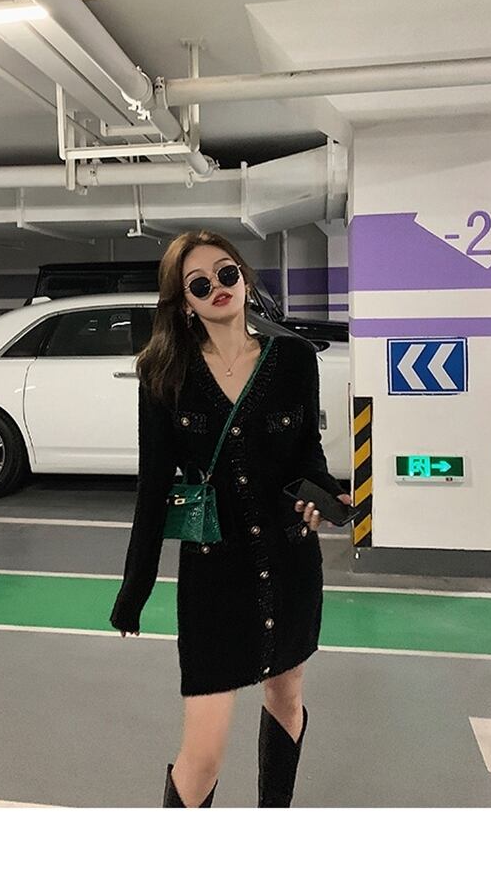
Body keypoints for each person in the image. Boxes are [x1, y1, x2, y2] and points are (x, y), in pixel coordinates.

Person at [109, 229, 352, 807]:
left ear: (243, 276)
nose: (217, 287)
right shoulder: (164, 374)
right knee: (204, 750)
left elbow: (308, 457)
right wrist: (135, 587)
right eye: (199, 284)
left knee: (285, 698)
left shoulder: (293, 359)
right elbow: (153, 487)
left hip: (289, 561)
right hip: (213, 574)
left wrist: (323, 498)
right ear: (183, 303)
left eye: (226, 273)